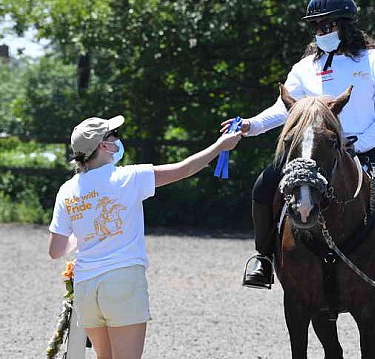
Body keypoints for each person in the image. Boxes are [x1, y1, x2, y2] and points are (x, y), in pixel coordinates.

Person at [221, 0, 375, 289]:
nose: (321, 31)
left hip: (370, 146)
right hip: (313, 153)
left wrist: (358, 145)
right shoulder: (304, 67)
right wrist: (250, 125)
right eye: (316, 26)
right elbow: (284, 109)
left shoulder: (374, 60)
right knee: (263, 184)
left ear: (346, 25)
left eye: (328, 24)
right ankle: (263, 258)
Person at [48, 115, 241, 359]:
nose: (118, 139)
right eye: (113, 135)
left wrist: (89, 234)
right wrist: (221, 145)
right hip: (122, 280)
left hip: (86, 286)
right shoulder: (129, 177)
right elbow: (185, 169)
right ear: (103, 146)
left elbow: (56, 250)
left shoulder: (67, 190)